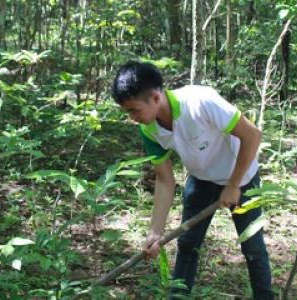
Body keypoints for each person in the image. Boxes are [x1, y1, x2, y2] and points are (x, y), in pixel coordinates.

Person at [112, 61, 274, 299]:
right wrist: (155, 231)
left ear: (155, 98)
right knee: (188, 244)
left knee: (252, 246)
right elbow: (165, 179)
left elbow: (252, 135)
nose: (132, 118)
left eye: (134, 110)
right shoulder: (149, 129)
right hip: (201, 180)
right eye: (128, 112)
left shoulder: (200, 102)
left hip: (241, 177)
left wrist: (233, 185)